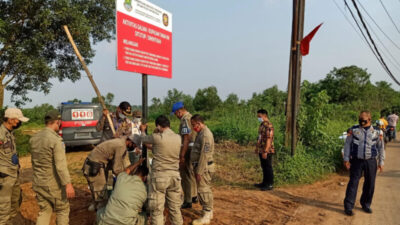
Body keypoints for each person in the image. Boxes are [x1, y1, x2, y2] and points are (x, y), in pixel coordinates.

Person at [30, 110, 75, 225]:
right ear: (57, 121)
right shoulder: (55, 140)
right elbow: (60, 166)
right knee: (63, 210)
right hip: (53, 185)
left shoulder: (34, 138)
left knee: (44, 211)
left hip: (38, 182)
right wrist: (68, 184)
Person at [139, 115, 183, 225]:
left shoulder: (157, 137)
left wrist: (143, 130)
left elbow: (143, 139)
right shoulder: (178, 137)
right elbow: (158, 149)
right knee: (175, 209)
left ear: (158, 126)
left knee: (157, 210)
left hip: (160, 177)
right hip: (175, 177)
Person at [343, 111, 385, 216]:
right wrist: (346, 159)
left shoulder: (377, 132)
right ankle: (348, 206)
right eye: (360, 119)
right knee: (353, 183)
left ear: (370, 120)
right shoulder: (353, 130)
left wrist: (381, 161)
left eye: (364, 120)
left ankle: (366, 204)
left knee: (370, 183)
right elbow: (347, 144)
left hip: (371, 161)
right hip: (356, 161)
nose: (361, 122)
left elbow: (381, 147)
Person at [82, 135, 137, 211]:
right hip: (96, 167)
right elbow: (116, 169)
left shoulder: (120, 141)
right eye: (134, 145)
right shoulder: (121, 146)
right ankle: (99, 212)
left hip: (92, 164)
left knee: (102, 188)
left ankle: (95, 204)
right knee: (102, 194)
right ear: (130, 142)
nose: (134, 147)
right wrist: (125, 178)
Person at [97, 158, 148, 225]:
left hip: (105, 222)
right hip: (125, 223)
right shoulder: (145, 189)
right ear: (145, 178)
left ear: (135, 172)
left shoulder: (122, 177)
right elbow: (148, 207)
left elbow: (128, 170)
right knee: (145, 216)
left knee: (100, 211)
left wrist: (137, 163)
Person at [0, 108, 29, 225]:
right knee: (3, 206)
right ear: (11, 120)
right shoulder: (0, 133)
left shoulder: (10, 133)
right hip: (4, 175)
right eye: (18, 120)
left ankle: (8, 222)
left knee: (15, 201)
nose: (19, 123)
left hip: (13, 174)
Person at [172, 101, 198, 209]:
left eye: (175, 114)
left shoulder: (185, 120)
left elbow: (186, 137)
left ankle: (188, 200)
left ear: (179, 112)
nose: (176, 116)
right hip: (193, 147)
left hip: (188, 148)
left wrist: (182, 154)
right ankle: (194, 195)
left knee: (185, 174)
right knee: (191, 172)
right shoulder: (191, 117)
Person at [190, 114, 215, 225]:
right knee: (204, 189)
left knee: (203, 190)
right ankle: (208, 211)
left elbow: (204, 155)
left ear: (199, 123)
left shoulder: (205, 135)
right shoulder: (201, 133)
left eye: (194, 125)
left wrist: (199, 171)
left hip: (204, 168)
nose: (193, 127)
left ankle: (207, 214)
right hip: (201, 166)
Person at [254, 109, 275, 191]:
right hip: (261, 149)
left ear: (264, 115)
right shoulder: (262, 125)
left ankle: (270, 184)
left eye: (259, 116)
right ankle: (264, 182)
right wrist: (257, 148)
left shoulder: (268, 126)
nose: (258, 118)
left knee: (268, 167)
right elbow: (260, 137)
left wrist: (265, 151)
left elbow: (269, 139)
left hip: (267, 150)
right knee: (264, 166)